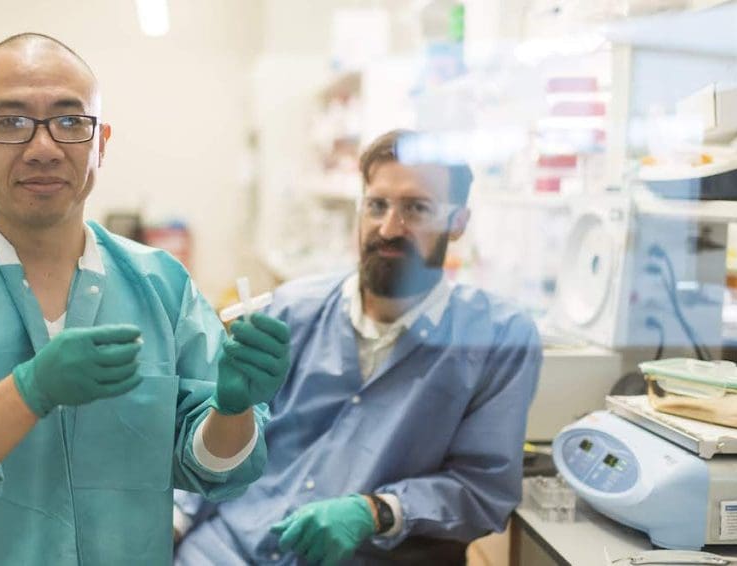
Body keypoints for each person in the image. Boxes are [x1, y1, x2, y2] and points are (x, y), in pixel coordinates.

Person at [0, 32, 291, 566]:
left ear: (101, 143)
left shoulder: (161, 286)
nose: (44, 147)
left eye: (70, 121)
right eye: (11, 122)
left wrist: (233, 411)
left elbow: (211, 468)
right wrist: (26, 393)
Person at [174, 129, 542, 566]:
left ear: (457, 223)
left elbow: (483, 490)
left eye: (416, 208)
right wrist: (173, 520)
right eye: (377, 205)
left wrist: (377, 510)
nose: (389, 228)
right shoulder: (296, 307)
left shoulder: (498, 339)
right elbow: (231, 443)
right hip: (224, 550)